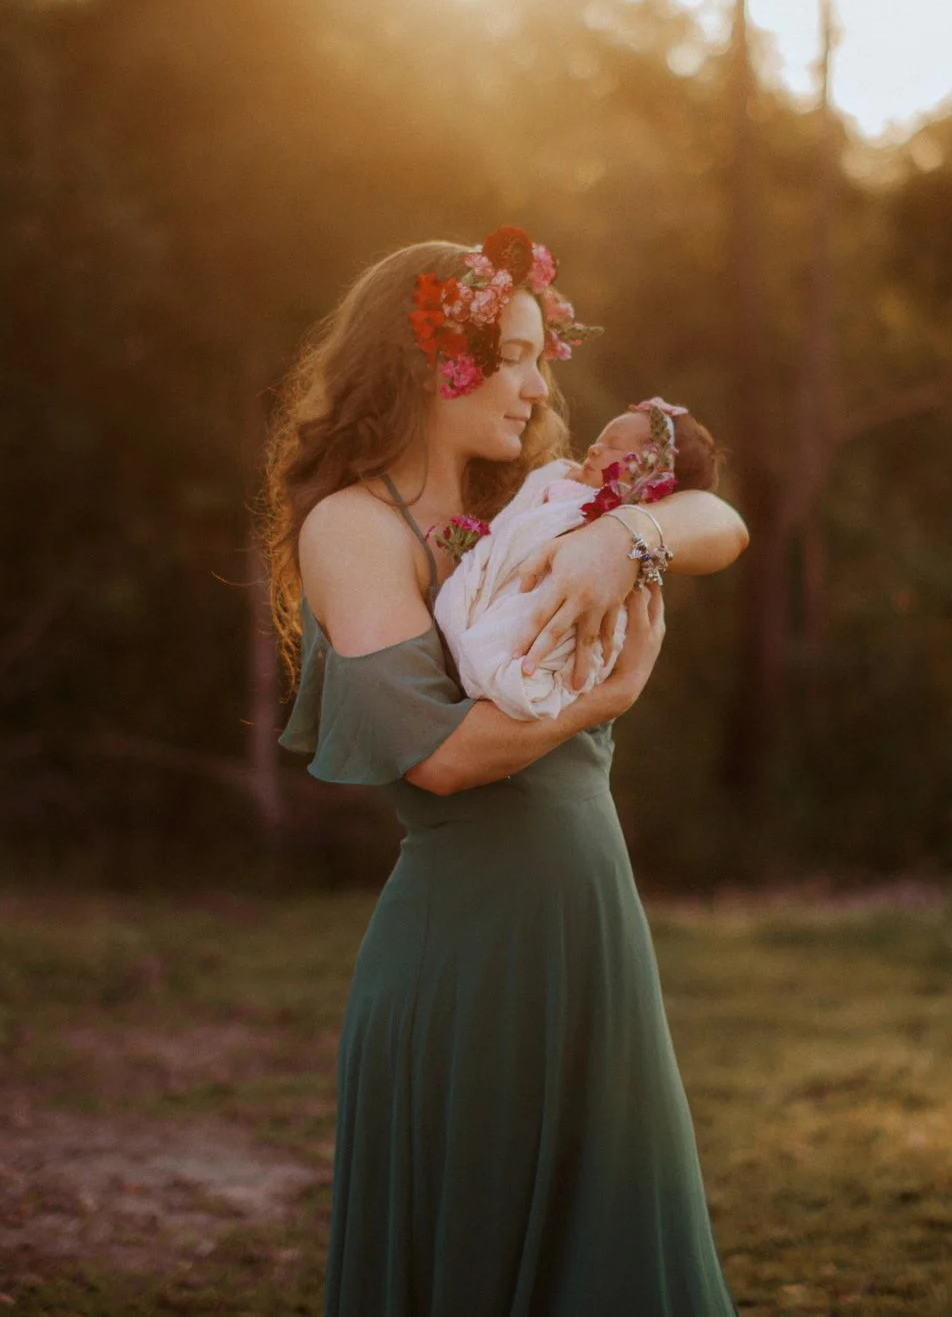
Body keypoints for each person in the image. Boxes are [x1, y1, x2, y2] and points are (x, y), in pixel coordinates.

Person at [260, 228, 747, 1316]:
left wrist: (627, 536)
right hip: (470, 953)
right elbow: (441, 758)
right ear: (431, 362)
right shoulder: (354, 527)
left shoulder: (540, 499)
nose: (537, 386)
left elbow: (722, 520)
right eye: (514, 357)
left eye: (538, 358)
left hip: (594, 925)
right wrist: (600, 703)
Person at [434, 397, 723, 721]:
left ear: (649, 476)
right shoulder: (559, 482)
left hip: (554, 608)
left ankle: (507, 665)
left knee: (527, 643)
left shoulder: (618, 526)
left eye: (613, 445)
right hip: (511, 590)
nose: (594, 449)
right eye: (598, 440)